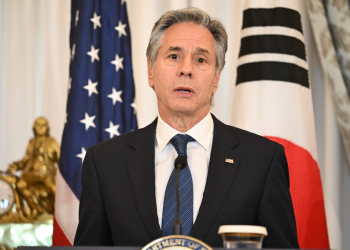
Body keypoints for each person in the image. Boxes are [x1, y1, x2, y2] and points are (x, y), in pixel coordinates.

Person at [74, 7, 299, 248]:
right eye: (174, 56)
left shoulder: (262, 161)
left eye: (201, 59)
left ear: (216, 78)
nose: (186, 69)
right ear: (150, 70)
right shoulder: (105, 162)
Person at [6, 117, 60, 219]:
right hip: (32, 175)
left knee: (56, 190)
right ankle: (37, 209)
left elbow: (60, 159)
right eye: (38, 125)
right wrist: (16, 166)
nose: (40, 128)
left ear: (47, 127)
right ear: (34, 127)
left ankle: (59, 217)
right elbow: (25, 160)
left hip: (47, 175)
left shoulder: (52, 142)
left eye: (43, 125)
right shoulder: (32, 142)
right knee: (20, 185)